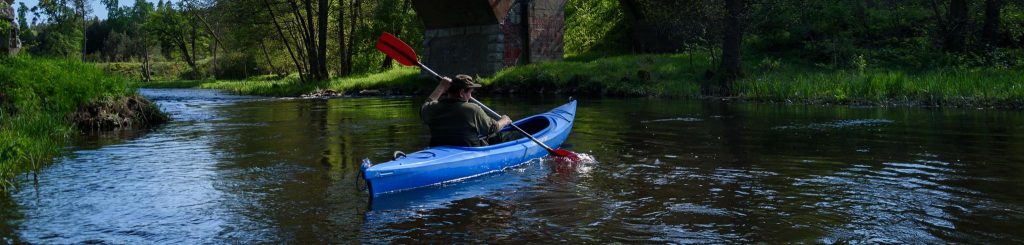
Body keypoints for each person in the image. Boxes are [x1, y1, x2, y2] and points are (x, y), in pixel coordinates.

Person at [420, 74, 512, 147]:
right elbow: (492, 128)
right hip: (469, 152)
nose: (470, 96)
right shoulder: (472, 109)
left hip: (439, 149)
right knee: (497, 137)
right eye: (470, 92)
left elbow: (424, 107)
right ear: (461, 93)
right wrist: (505, 120)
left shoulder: (433, 108)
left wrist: (441, 86)